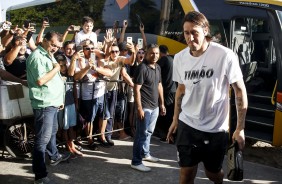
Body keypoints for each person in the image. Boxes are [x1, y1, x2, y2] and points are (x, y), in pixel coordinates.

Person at [166, 11, 248, 184]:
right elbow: (181, 90)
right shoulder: (180, 58)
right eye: (186, 33)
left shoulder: (225, 55)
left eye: (194, 32)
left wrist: (239, 128)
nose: (190, 38)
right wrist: (175, 119)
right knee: (186, 175)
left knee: (213, 174)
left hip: (216, 128)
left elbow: (239, 91)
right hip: (188, 124)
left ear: (205, 30)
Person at [26, 31, 71, 184]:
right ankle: (40, 176)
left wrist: (60, 99)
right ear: (44, 41)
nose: (54, 48)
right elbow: (41, 80)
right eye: (53, 45)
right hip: (44, 103)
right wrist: (57, 68)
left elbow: (53, 80)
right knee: (42, 140)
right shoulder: (38, 56)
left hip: (52, 102)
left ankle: (53, 156)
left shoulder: (46, 53)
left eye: (57, 46)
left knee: (51, 132)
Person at [131, 44, 166, 172]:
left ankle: (145, 154)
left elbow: (159, 85)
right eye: (152, 53)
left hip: (155, 106)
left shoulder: (157, 67)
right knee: (141, 134)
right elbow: (136, 89)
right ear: (146, 54)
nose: (155, 55)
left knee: (149, 132)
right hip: (145, 107)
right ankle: (136, 161)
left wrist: (161, 104)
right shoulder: (142, 68)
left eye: (157, 53)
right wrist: (139, 108)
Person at [155, 45, 176, 142]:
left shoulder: (164, 59)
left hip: (166, 91)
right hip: (173, 90)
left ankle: (168, 136)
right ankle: (170, 135)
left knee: (166, 114)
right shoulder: (173, 58)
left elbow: (154, 66)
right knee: (171, 113)